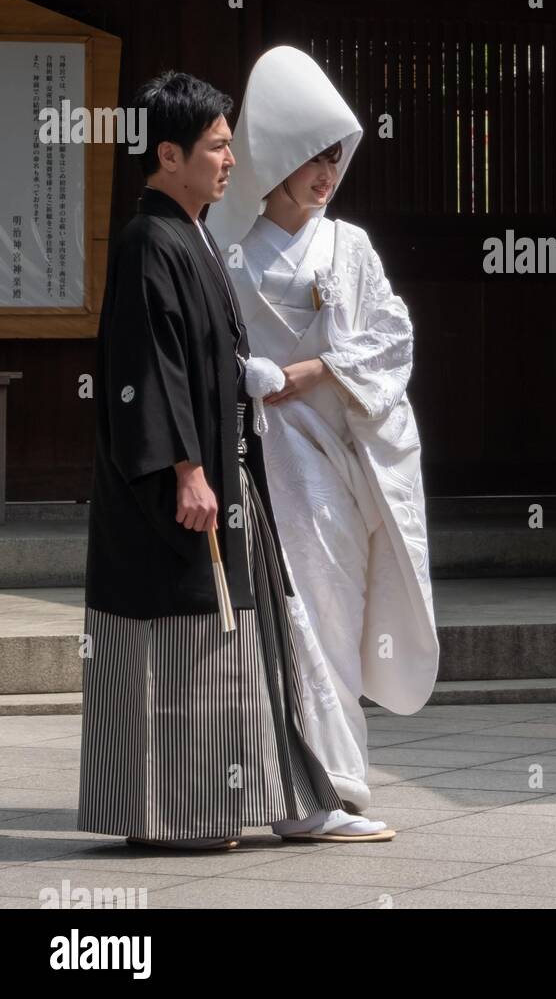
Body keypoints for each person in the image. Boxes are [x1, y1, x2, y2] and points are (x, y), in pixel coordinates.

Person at [77, 70, 395, 848]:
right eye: (217, 146)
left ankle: (279, 800)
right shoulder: (151, 239)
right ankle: (180, 812)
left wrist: (246, 375)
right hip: (178, 490)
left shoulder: (190, 235)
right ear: (168, 154)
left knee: (249, 640)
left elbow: (203, 354)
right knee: (191, 645)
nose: (229, 160)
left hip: (226, 473)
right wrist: (185, 468)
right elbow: (148, 368)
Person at [205, 47, 439, 822]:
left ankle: (327, 782)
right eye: (310, 157)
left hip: (337, 452)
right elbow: (207, 348)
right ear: (273, 158)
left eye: (334, 158)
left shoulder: (353, 246)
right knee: (290, 612)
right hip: (265, 452)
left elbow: (392, 339)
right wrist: (255, 379)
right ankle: (307, 787)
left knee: (333, 612)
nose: (324, 174)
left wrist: (317, 371)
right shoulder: (224, 248)